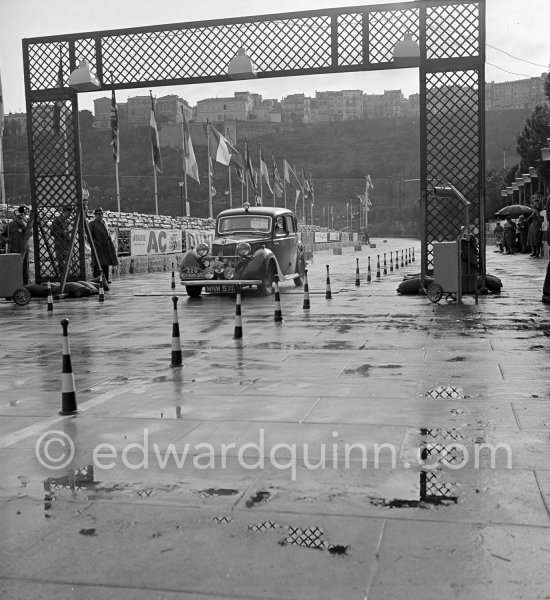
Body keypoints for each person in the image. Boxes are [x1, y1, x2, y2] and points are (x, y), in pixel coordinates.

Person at [1, 206, 30, 284]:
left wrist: (21, 223)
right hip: (13, 250)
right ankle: (14, 284)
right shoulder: (10, 224)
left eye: (23, 214)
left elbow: (29, 234)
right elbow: (3, 235)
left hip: (24, 250)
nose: (21, 215)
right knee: (14, 269)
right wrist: (6, 239)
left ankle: (25, 285)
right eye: (21, 214)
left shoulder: (26, 224)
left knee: (25, 270)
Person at [89, 207, 118, 283]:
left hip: (105, 247)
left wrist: (110, 246)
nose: (100, 216)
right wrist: (95, 244)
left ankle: (106, 279)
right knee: (97, 264)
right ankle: (97, 280)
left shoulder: (104, 223)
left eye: (101, 214)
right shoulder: (91, 224)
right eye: (99, 214)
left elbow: (108, 235)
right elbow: (90, 236)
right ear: (95, 215)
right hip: (98, 248)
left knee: (106, 264)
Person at [50, 205, 73, 278]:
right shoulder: (57, 221)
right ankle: (62, 277)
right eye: (68, 213)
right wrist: (63, 233)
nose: (70, 214)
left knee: (67, 263)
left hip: (67, 245)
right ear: (64, 212)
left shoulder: (67, 221)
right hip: (60, 245)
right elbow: (52, 232)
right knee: (61, 263)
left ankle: (66, 277)